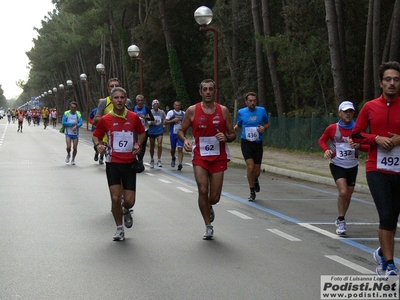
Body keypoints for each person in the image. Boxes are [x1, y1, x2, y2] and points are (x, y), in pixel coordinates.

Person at [352, 61, 400, 277]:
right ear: (381, 83)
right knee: (386, 213)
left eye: (396, 80)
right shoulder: (370, 107)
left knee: (393, 218)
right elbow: (355, 134)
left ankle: (383, 251)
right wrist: (376, 138)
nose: (392, 83)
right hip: (376, 169)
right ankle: (389, 264)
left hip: (398, 170)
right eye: (388, 79)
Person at [177, 79, 236, 240]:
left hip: (218, 157)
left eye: (211, 89)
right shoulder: (192, 110)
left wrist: (226, 137)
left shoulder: (223, 111)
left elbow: (232, 134)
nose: (208, 92)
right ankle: (208, 226)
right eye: (205, 89)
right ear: (200, 92)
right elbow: (181, 131)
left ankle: (209, 205)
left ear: (215, 91)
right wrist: (185, 140)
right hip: (200, 156)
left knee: (214, 197)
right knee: (203, 189)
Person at [92, 87, 145, 241]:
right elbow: (96, 136)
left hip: (129, 164)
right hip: (113, 163)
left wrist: (138, 145)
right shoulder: (105, 119)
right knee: (115, 198)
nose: (120, 100)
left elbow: (142, 133)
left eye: (122, 98)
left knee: (129, 201)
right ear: (111, 100)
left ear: (126, 100)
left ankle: (125, 209)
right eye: (116, 98)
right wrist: (98, 146)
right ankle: (119, 228)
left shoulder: (134, 117)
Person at [318, 101, 369, 235]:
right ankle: (341, 220)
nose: (348, 114)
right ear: (339, 113)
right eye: (345, 111)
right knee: (343, 191)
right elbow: (322, 140)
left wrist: (359, 146)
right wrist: (326, 150)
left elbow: (369, 146)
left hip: (352, 165)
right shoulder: (332, 128)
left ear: (353, 113)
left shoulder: (358, 129)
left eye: (350, 111)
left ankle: (341, 216)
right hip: (337, 164)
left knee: (348, 194)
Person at [234, 92, 269, 201]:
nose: (252, 102)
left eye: (254, 100)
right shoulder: (241, 112)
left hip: (258, 143)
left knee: (256, 171)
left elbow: (267, 123)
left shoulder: (261, 110)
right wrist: (231, 130)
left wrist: (264, 128)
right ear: (246, 101)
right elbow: (239, 125)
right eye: (250, 100)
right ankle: (252, 191)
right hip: (246, 142)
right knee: (250, 166)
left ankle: (255, 179)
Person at [133, 94, 155, 164]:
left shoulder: (146, 108)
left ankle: (141, 159)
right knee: (135, 144)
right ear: (136, 101)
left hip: (144, 129)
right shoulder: (134, 108)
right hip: (135, 130)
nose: (140, 102)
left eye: (141, 101)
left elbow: (152, 118)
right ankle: (136, 158)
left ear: (143, 101)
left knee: (142, 145)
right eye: (138, 100)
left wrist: (145, 117)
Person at [165, 101, 185, 170]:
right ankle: (173, 157)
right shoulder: (171, 113)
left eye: (179, 105)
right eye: (176, 105)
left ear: (180, 106)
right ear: (174, 106)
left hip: (180, 134)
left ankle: (180, 163)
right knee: (173, 149)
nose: (177, 107)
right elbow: (165, 122)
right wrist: (173, 120)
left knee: (180, 148)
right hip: (173, 134)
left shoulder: (184, 113)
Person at [148, 99, 166, 168]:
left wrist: (164, 124)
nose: (156, 105)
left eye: (157, 104)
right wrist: (152, 122)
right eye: (155, 104)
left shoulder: (161, 112)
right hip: (152, 131)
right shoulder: (150, 112)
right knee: (152, 146)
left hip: (159, 130)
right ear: (153, 105)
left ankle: (159, 160)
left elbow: (165, 119)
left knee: (159, 145)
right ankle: (152, 159)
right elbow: (147, 121)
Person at [89, 100, 104, 164]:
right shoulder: (95, 110)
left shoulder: (106, 110)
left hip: (104, 130)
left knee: (103, 143)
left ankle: (101, 157)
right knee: (96, 144)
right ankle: (96, 152)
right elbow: (90, 118)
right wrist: (93, 123)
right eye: (100, 102)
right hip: (95, 129)